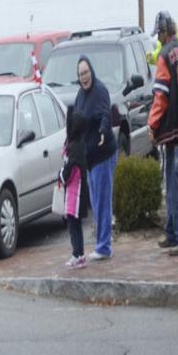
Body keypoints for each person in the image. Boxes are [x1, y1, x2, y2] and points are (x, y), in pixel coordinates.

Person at [149, 11, 178, 256]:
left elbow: (161, 96)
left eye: (159, 33)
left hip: (170, 129)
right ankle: (171, 232)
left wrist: (152, 125)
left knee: (175, 182)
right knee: (173, 178)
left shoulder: (165, 56)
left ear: (165, 32)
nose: (158, 37)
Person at [73, 54, 117, 260]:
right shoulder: (80, 96)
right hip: (89, 159)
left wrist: (102, 132)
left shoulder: (100, 91)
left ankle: (104, 247)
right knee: (95, 201)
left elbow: (105, 115)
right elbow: (77, 123)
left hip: (102, 154)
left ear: (92, 71)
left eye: (86, 72)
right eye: (81, 74)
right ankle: (102, 243)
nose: (84, 77)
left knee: (102, 201)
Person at [60, 104, 90, 269]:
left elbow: (70, 170)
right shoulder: (79, 144)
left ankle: (77, 254)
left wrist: (61, 176)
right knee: (75, 224)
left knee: (73, 224)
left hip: (74, 193)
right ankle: (79, 254)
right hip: (76, 191)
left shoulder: (73, 147)